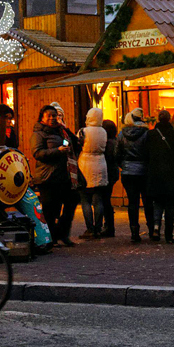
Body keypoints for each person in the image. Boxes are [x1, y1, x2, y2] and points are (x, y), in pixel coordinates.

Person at [31, 105, 79, 246]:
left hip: (64, 175)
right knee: (50, 209)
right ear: (42, 118)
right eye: (49, 116)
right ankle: (50, 238)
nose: (52, 118)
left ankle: (62, 233)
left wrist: (66, 129)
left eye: (54, 116)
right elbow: (37, 153)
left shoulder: (61, 131)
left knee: (72, 202)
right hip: (48, 177)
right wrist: (58, 150)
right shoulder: (39, 134)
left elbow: (75, 143)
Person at [147, 110, 174, 244]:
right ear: (169, 119)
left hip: (155, 172)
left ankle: (156, 227)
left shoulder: (151, 135)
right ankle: (169, 234)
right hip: (171, 173)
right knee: (169, 204)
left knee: (157, 202)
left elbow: (146, 154)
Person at [117, 108, 153, 242]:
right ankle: (151, 229)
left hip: (128, 171)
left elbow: (117, 153)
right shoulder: (147, 133)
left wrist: (124, 165)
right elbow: (150, 152)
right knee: (148, 201)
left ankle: (134, 231)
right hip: (144, 171)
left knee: (133, 202)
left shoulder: (122, 134)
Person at [77, 107, 110, 239]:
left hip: (85, 164)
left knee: (85, 199)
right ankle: (98, 228)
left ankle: (90, 228)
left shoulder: (83, 131)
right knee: (98, 200)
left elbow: (77, 144)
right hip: (100, 163)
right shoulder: (103, 131)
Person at [101, 119, 119, 238]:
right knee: (106, 199)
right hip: (113, 172)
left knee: (105, 200)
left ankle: (109, 226)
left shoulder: (106, 143)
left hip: (106, 172)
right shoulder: (115, 142)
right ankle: (109, 225)